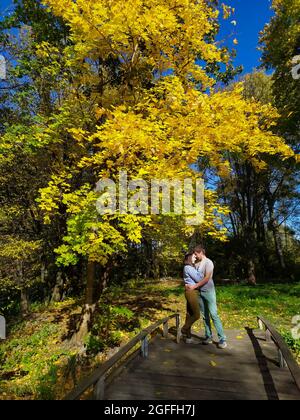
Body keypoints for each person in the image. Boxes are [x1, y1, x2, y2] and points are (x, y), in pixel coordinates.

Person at [186, 246, 227, 349]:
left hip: (209, 291)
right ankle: (208, 336)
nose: (194, 256)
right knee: (205, 316)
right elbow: (192, 277)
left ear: (200, 253)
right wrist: (187, 284)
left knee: (213, 314)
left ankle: (222, 338)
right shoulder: (196, 264)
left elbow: (207, 278)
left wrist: (195, 286)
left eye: (195, 254)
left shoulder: (209, 262)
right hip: (199, 293)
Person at [181, 252, 203, 344]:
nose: (195, 258)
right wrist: (201, 275)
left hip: (192, 291)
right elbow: (199, 279)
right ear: (189, 258)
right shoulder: (188, 267)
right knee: (196, 315)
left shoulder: (190, 267)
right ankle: (183, 329)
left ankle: (188, 337)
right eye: (194, 257)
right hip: (191, 292)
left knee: (189, 314)